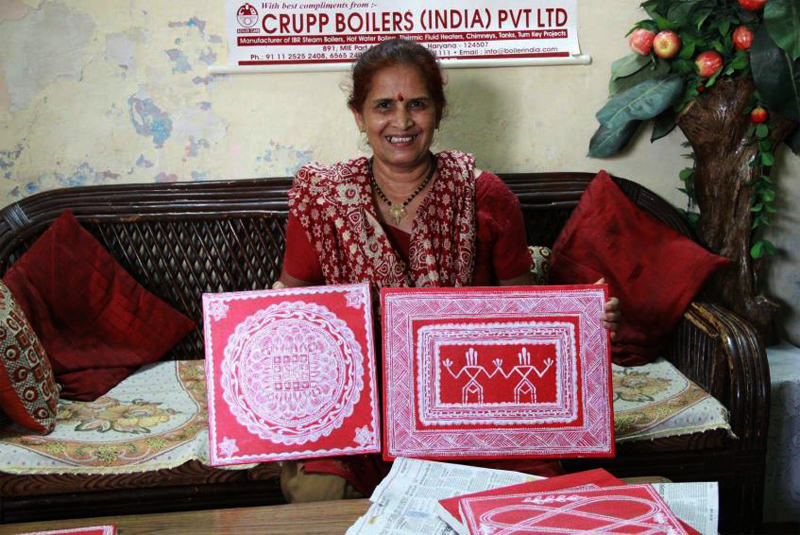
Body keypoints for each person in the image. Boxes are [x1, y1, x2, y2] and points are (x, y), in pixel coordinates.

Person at [276, 38, 621, 502]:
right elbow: (289, 303)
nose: (401, 122)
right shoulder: (322, 200)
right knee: (321, 488)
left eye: (417, 104)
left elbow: (523, 313)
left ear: (438, 111)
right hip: (362, 400)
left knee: (530, 488)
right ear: (359, 115)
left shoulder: (484, 196)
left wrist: (584, 320)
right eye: (383, 106)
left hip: (470, 397)